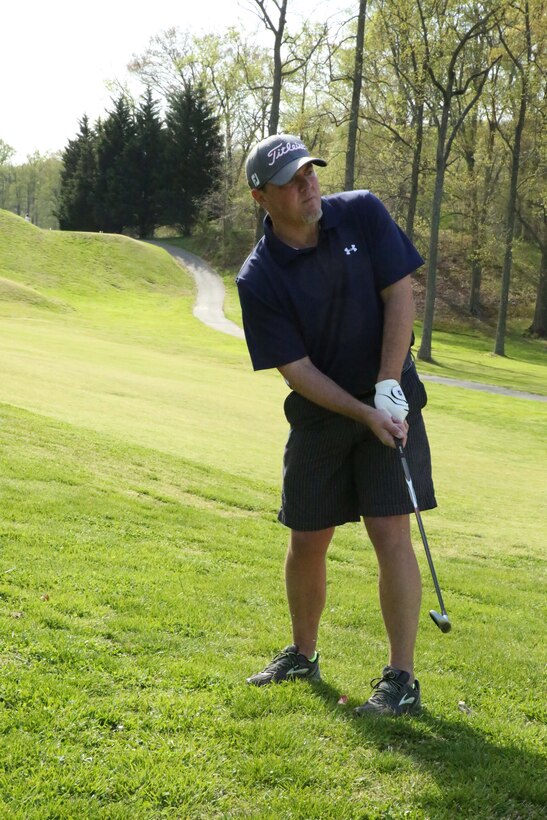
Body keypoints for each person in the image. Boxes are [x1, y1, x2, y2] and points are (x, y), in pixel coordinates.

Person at [235, 134, 436, 716]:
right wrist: (362, 412)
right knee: (307, 536)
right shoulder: (259, 276)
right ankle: (303, 654)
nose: (308, 185)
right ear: (261, 198)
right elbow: (295, 369)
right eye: (292, 181)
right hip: (322, 413)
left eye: (310, 172)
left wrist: (388, 385)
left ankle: (401, 679)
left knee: (390, 532)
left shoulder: (362, 212)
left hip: (390, 395)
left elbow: (400, 293)